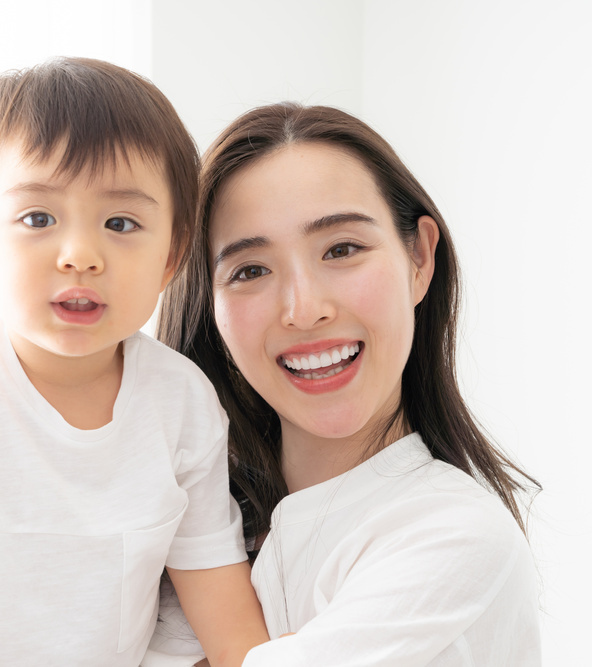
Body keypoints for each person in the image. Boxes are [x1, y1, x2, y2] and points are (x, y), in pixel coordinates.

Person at [0, 58, 268, 667]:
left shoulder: (182, 403)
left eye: (121, 223)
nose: (80, 255)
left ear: (172, 254)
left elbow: (217, 588)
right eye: (38, 218)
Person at [151, 102, 541, 665]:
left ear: (420, 258)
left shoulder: (455, 536)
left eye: (342, 249)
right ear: (209, 308)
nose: (304, 310)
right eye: (250, 270)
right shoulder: (186, 534)